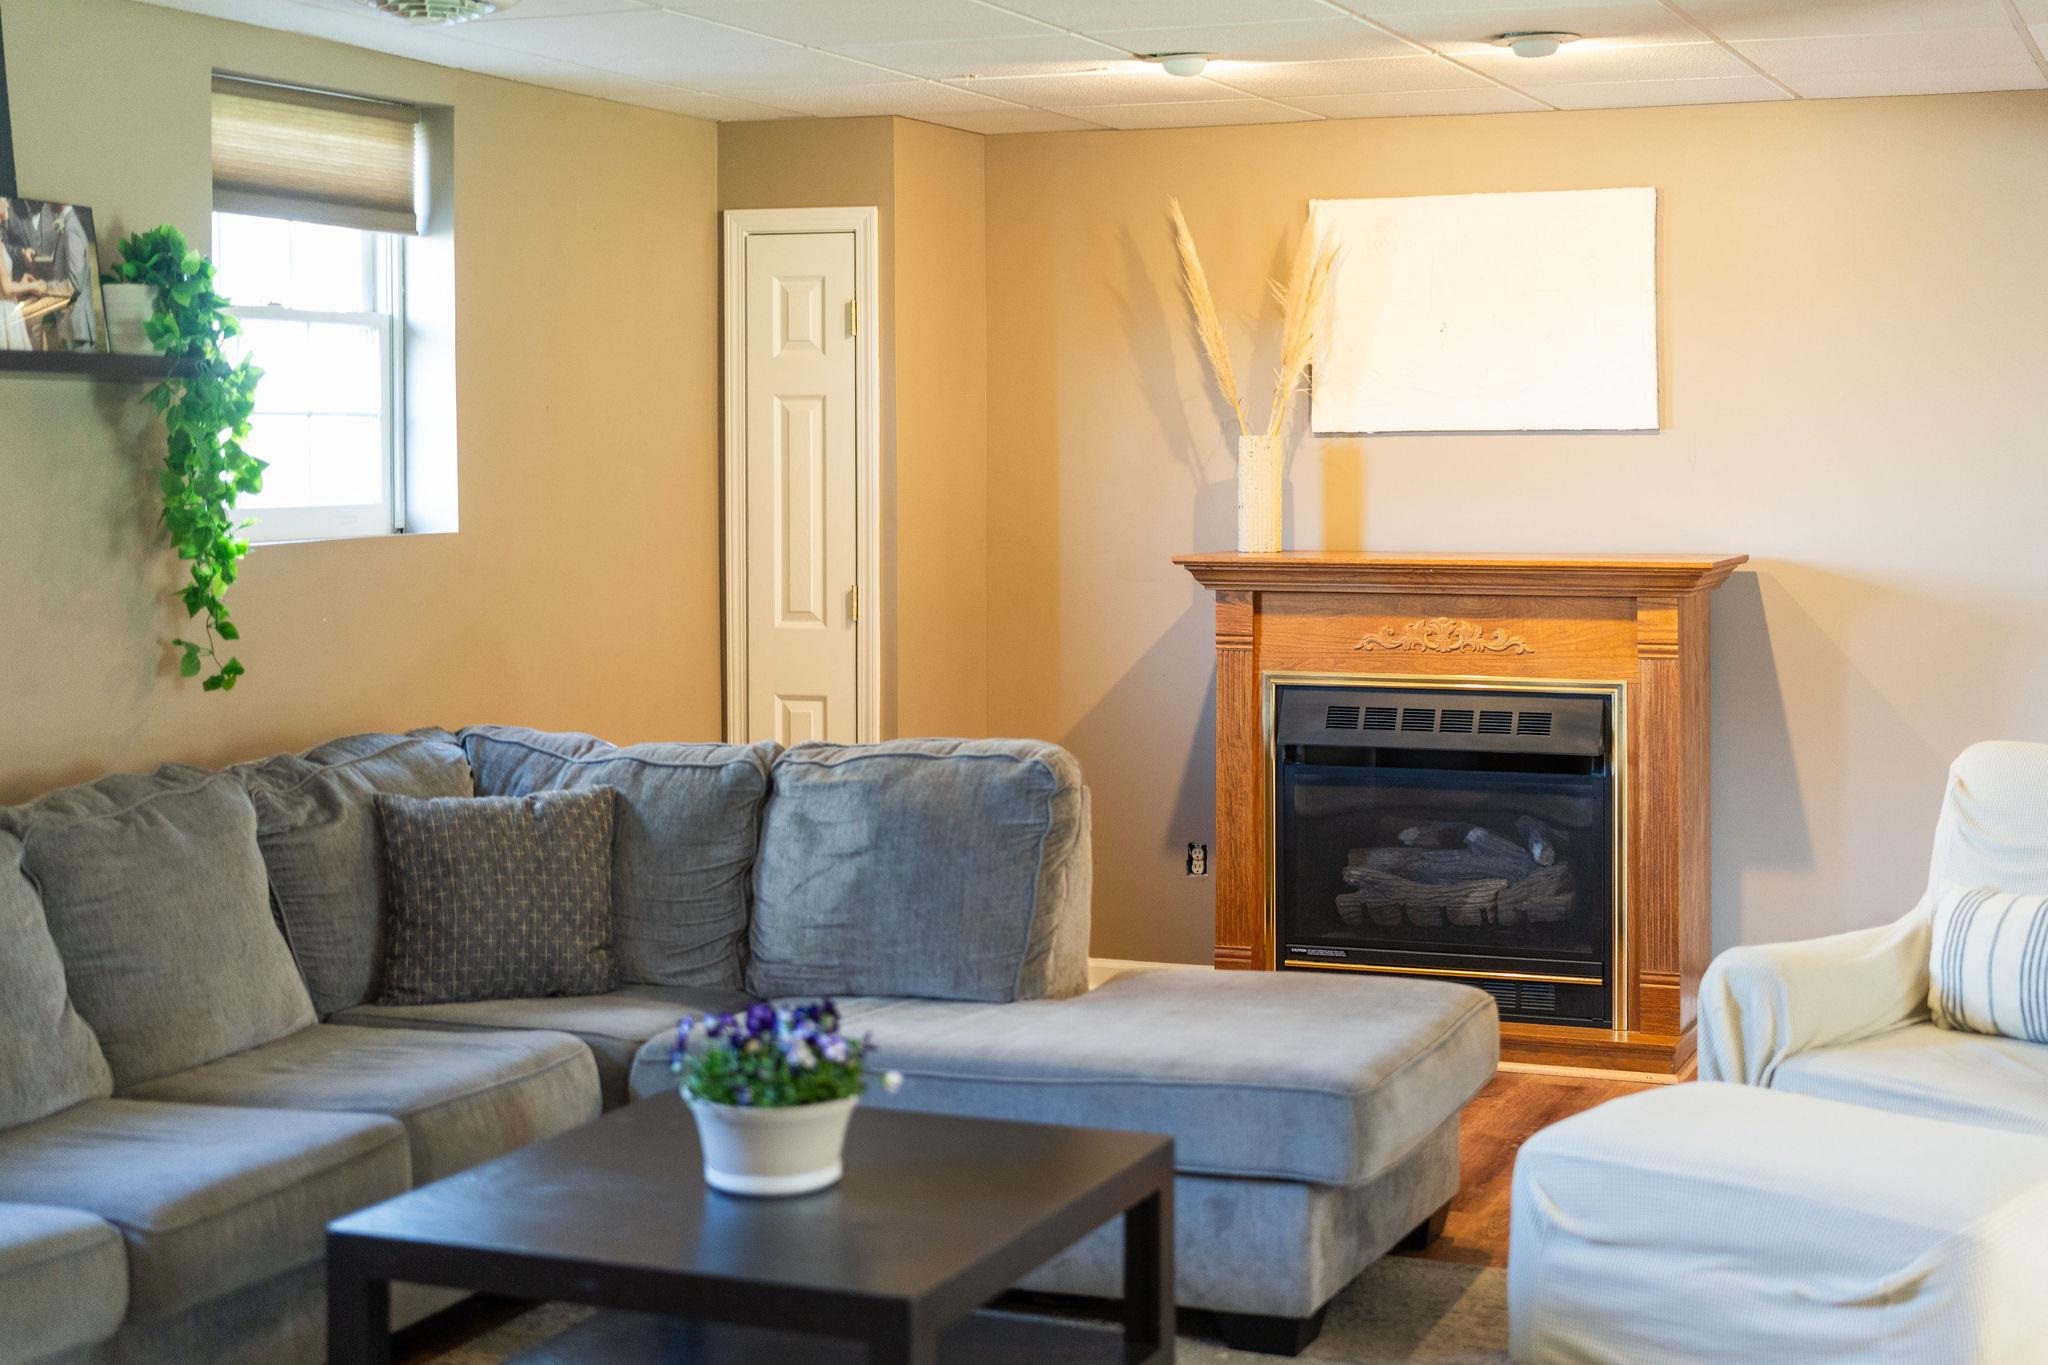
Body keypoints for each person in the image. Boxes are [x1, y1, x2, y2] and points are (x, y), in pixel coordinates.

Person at [52, 204, 98, 350]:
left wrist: (45, 288)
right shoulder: (68, 224)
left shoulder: (71, 229)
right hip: (72, 327)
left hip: (76, 327)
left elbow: (75, 284)